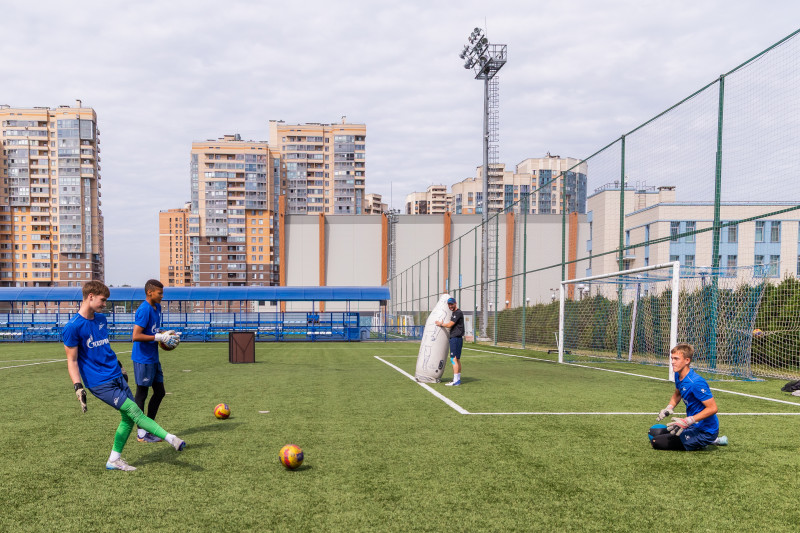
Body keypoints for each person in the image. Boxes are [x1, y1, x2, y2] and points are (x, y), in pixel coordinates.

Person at [64, 280, 185, 471]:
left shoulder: (101, 320)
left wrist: (120, 367)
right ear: (90, 297)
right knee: (135, 412)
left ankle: (113, 459)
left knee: (128, 418)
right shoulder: (72, 327)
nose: (105, 304)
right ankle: (171, 439)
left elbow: (105, 347)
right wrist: (78, 387)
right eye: (103, 300)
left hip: (116, 375)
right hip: (99, 382)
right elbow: (72, 361)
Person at [652, 342, 728, 450]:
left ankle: (709, 440)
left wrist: (688, 421)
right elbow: (677, 394)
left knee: (656, 442)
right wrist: (669, 408)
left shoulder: (696, 382)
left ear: (687, 360)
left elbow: (713, 408)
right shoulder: (678, 374)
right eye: (672, 358)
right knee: (654, 432)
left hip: (705, 431)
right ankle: (695, 437)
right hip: (692, 426)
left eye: (676, 359)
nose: (672, 362)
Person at [131, 279, 179, 443]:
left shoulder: (157, 307)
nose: (162, 296)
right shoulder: (144, 309)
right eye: (160, 293)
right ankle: (141, 433)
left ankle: (149, 428)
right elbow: (136, 336)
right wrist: (157, 337)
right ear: (149, 292)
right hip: (142, 359)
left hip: (153, 357)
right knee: (142, 394)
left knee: (160, 392)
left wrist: (167, 333)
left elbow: (154, 330)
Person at [435, 297, 465, 386]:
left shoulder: (457, 313)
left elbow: (449, 325)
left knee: (453, 359)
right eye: (449, 304)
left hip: (455, 338)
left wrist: (440, 324)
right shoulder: (455, 313)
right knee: (457, 359)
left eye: (452, 304)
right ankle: (457, 379)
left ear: (455, 303)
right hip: (457, 338)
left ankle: (455, 381)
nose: (450, 306)